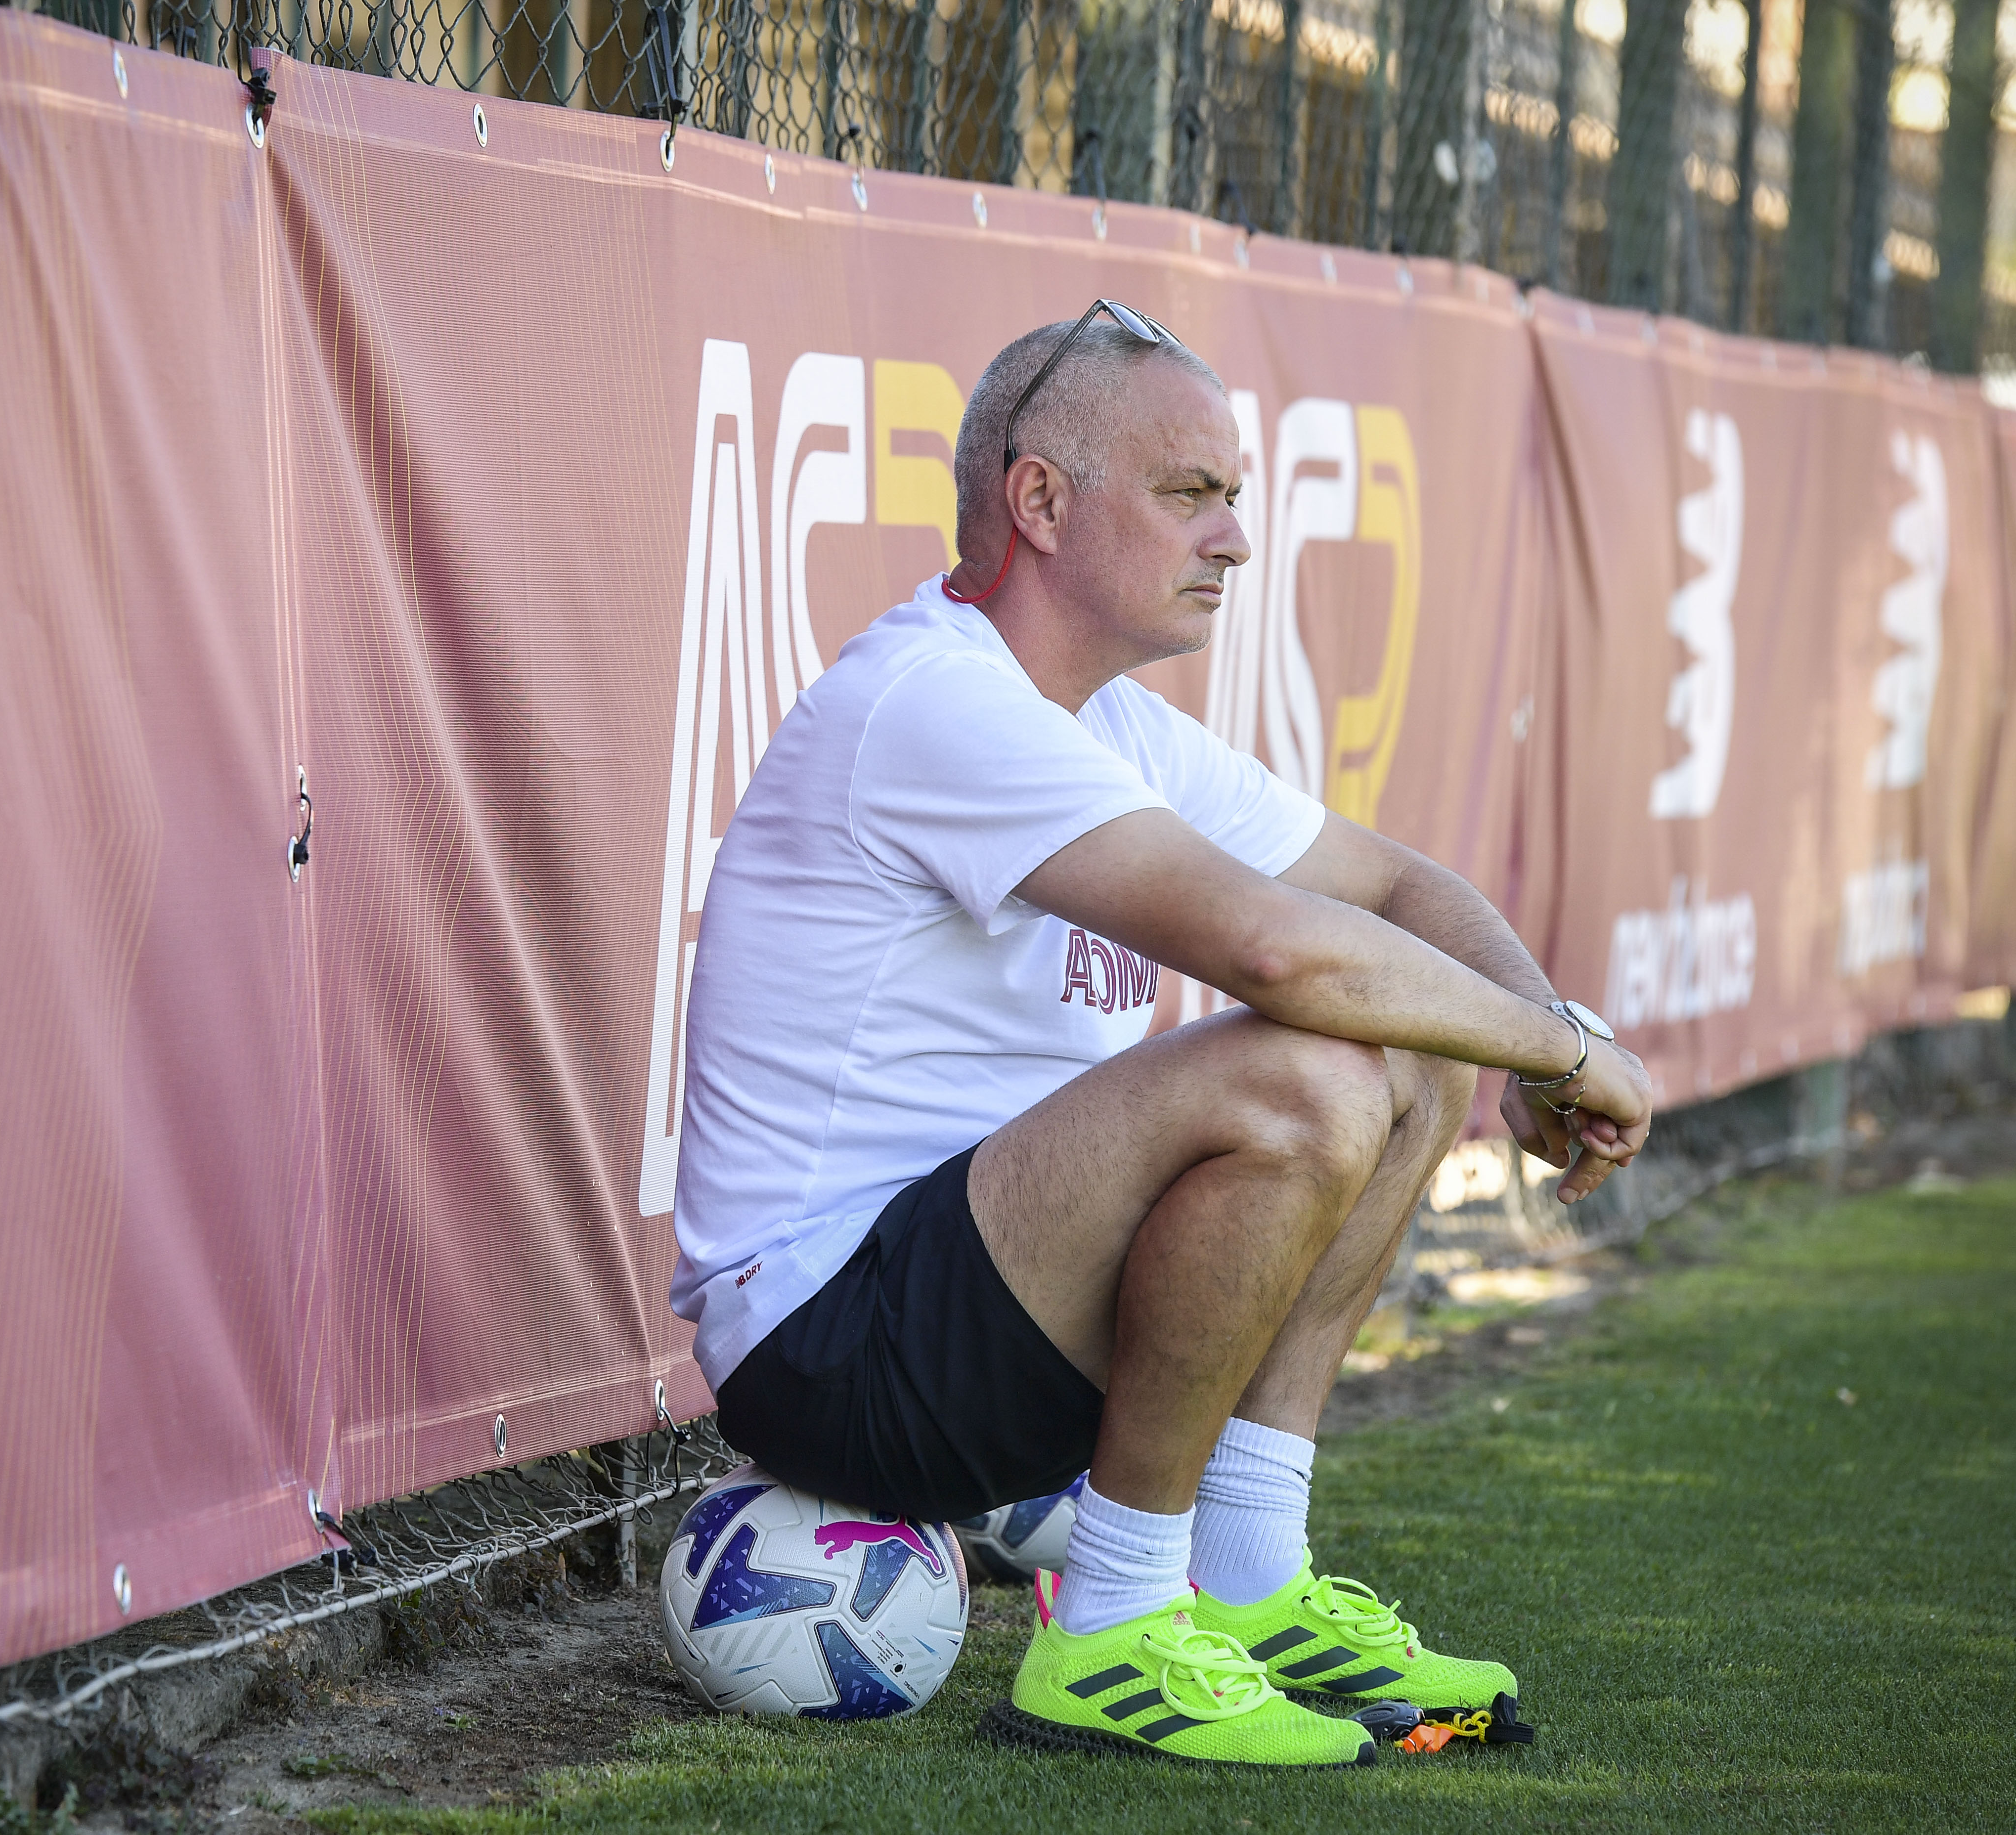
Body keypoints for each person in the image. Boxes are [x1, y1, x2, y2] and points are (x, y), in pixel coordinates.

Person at [668, 303, 1653, 1768]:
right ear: (1043, 502)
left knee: (1422, 1034)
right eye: (1193, 495)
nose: (1235, 540)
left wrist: (1539, 1031)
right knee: (1313, 1065)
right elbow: (1276, 950)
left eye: (1235, 499)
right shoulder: (934, 700)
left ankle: (1247, 1584)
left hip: (991, 1306)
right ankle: (1117, 1627)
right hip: (833, 1349)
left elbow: (1395, 887)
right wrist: (1563, 1060)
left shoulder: (1107, 724)